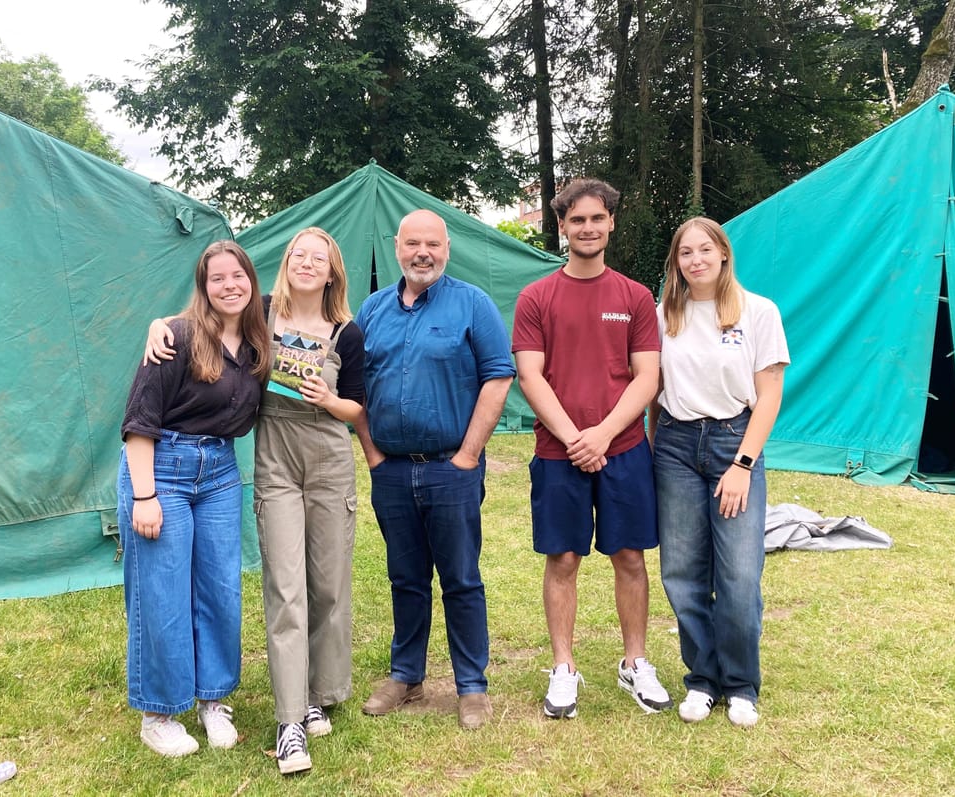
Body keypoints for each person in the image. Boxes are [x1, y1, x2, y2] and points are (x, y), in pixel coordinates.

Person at [145, 228, 365, 775]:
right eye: (299, 255)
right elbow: (207, 316)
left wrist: (331, 399)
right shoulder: (261, 316)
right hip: (277, 465)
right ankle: (290, 722)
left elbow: (360, 409)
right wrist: (159, 325)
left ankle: (319, 693)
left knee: (329, 586)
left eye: (320, 258)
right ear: (286, 263)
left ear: (333, 271)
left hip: (331, 460)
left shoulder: (348, 332)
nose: (308, 263)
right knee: (285, 588)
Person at [512, 178, 673, 719]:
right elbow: (530, 377)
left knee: (630, 556)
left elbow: (646, 376)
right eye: (576, 220)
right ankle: (563, 669)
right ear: (562, 226)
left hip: (624, 448)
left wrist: (603, 434)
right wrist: (575, 438)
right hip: (559, 453)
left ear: (611, 224)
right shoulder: (536, 297)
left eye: (596, 219)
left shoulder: (633, 297)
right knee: (563, 558)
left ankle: (635, 663)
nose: (587, 228)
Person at [354, 209, 514, 730]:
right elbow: (355, 386)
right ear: (396, 246)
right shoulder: (372, 310)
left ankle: (471, 686)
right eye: (413, 243)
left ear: (447, 248)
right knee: (405, 577)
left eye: (433, 244)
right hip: (393, 471)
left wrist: (468, 455)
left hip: (452, 468)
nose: (423, 253)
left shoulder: (473, 304)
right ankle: (407, 676)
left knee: (461, 579)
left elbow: (498, 377)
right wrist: (373, 455)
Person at [118, 240, 270, 757]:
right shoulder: (177, 337)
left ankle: (213, 700)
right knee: (162, 593)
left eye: (238, 276)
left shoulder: (258, 340)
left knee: (220, 588)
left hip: (221, 473)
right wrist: (144, 496)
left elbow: (308, 304)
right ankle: (158, 712)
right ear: (203, 288)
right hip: (162, 469)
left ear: (252, 280)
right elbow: (139, 420)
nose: (230, 286)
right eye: (217, 278)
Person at [649, 216, 788, 728]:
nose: (696, 260)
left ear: (724, 254)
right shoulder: (665, 314)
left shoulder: (757, 312)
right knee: (682, 572)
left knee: (739, 572)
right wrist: (652, 446)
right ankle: (702, 680)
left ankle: (741, 683)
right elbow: (653, 390)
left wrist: (743, 465)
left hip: (735, 440)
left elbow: (769, 395)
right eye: (686, 252)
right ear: (676, 261)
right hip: (676, 447)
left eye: (705, 250)